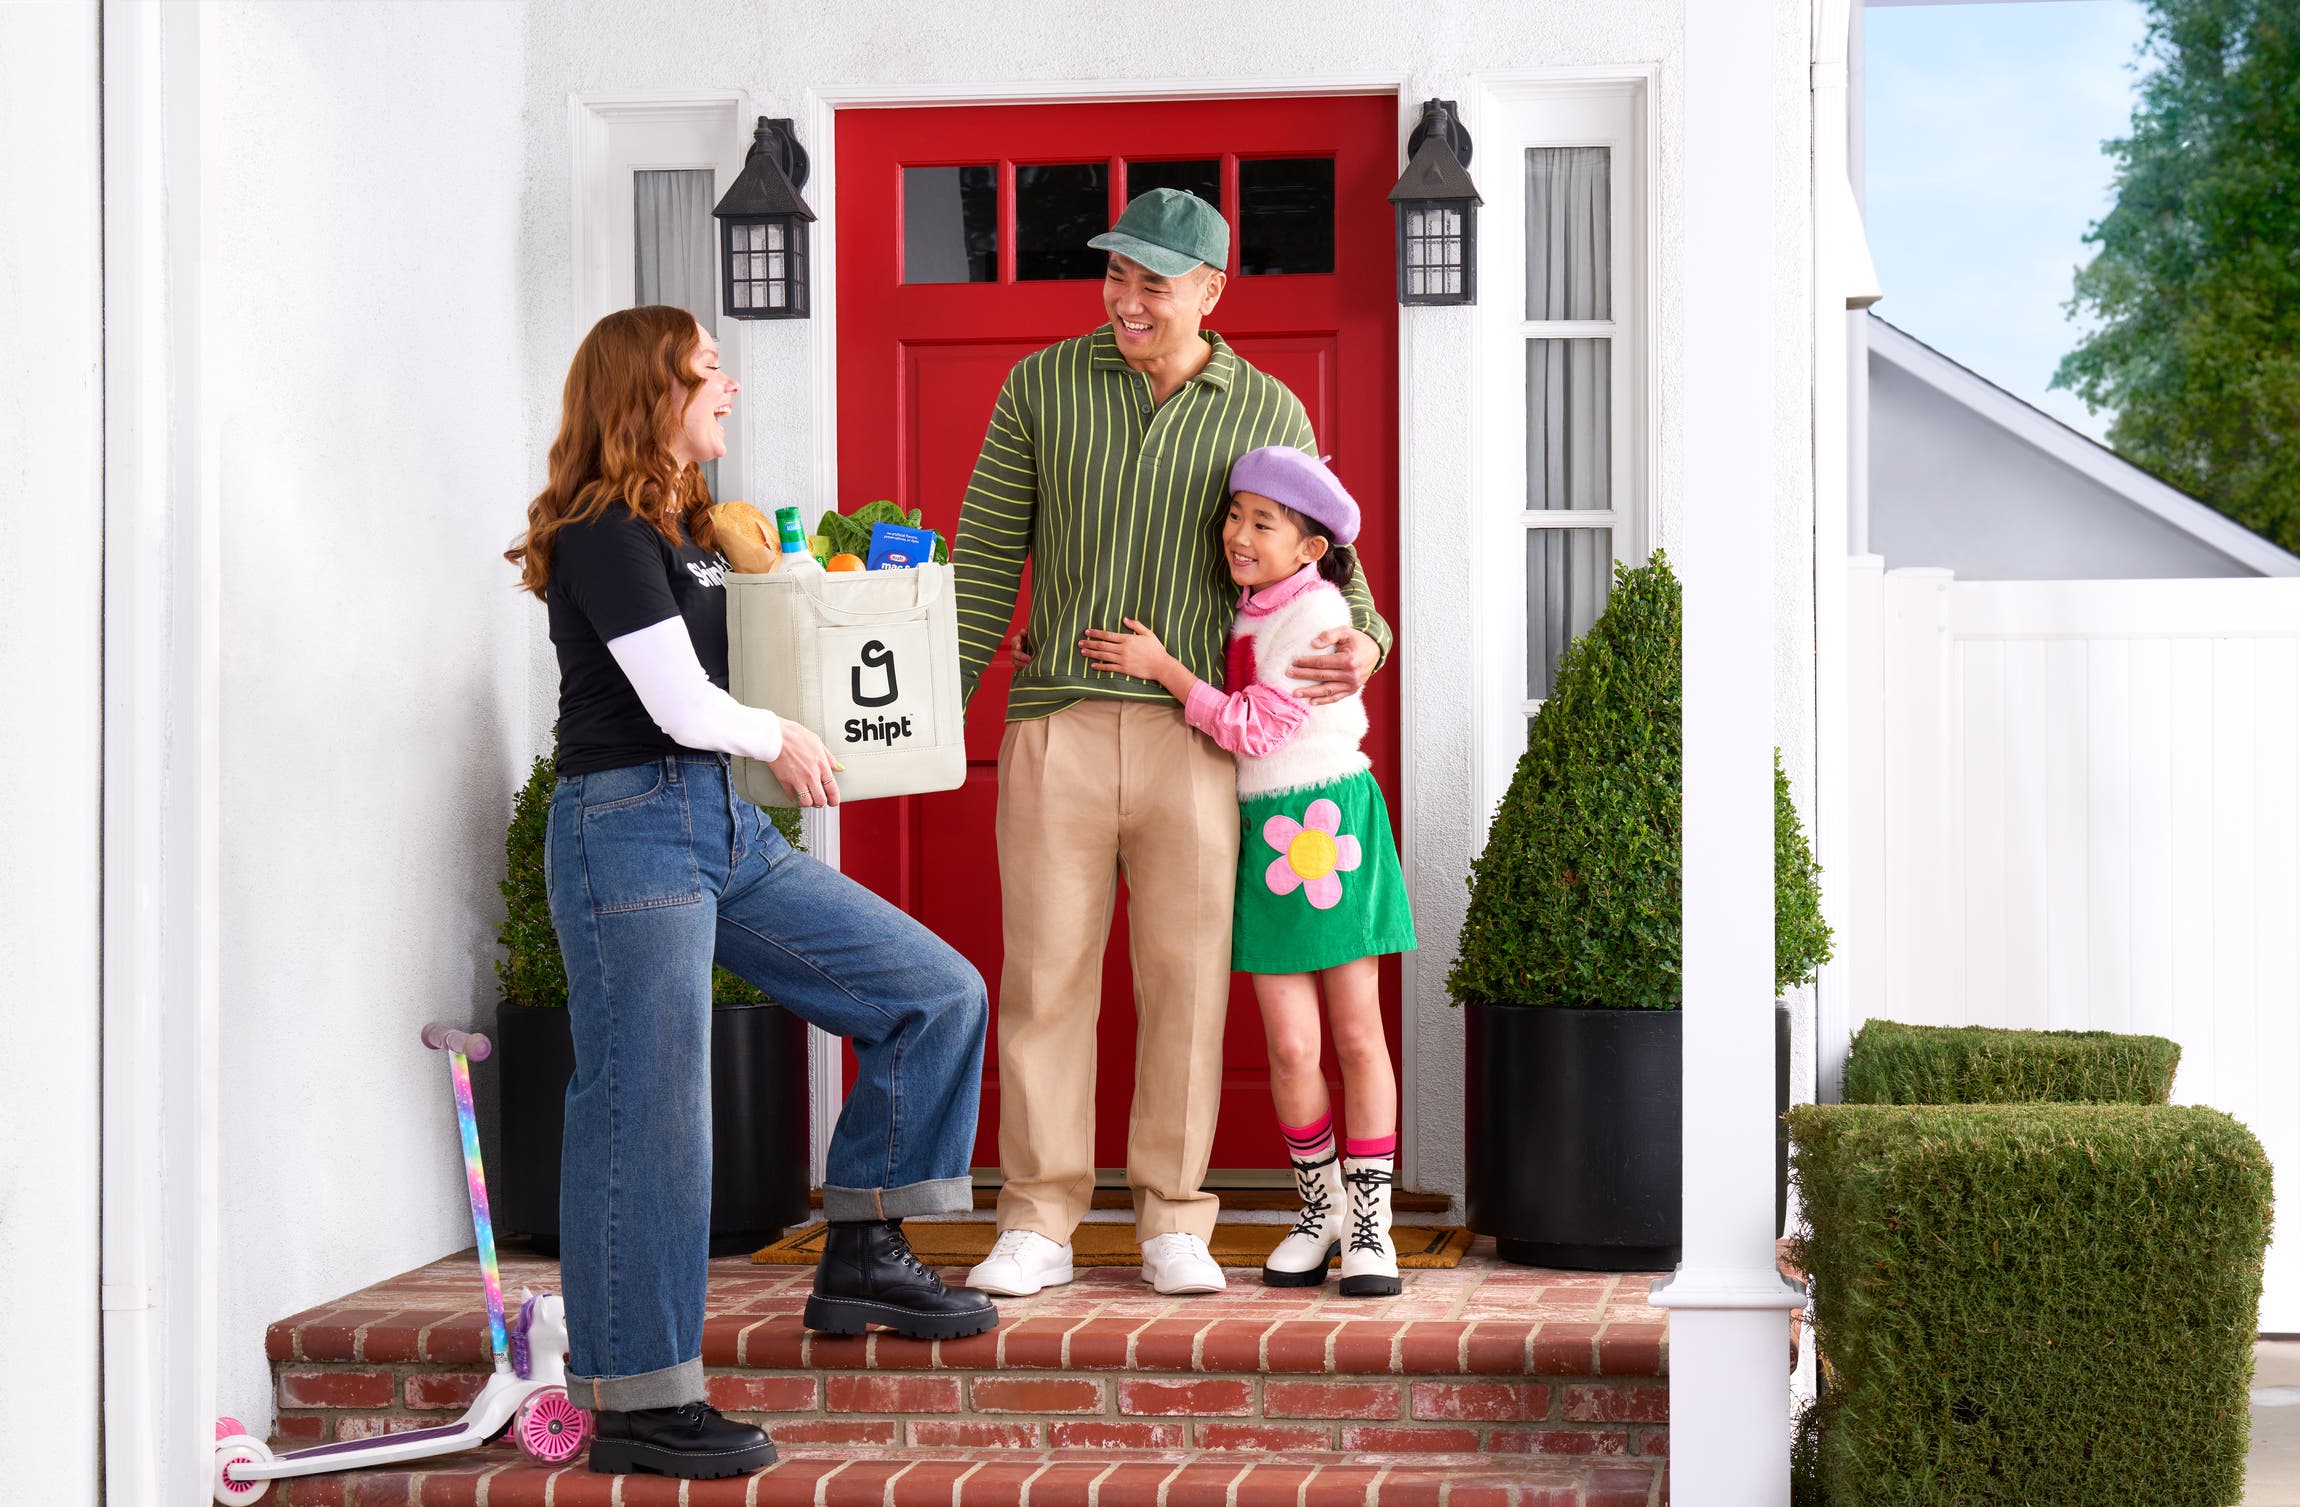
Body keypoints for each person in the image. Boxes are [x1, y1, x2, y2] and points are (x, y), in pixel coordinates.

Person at [505, 305, 997, 1481]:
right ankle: (640, 1400)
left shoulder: (682, 531)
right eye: (707, 367)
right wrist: (777, 733)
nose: (728, 384)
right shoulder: (602, 533)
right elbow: (679, 705)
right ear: (650, 389)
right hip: (628, 827)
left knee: (932, 992)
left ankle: (864, 1244)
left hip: (715, 824)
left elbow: (756, 659)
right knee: (646, 1108)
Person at [952, 190, 1393, 1299]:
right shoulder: (1039, 387)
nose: (1129, 301)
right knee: (1046, 977)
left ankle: (1171, 1219)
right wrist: (927, 726)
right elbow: (983, 565)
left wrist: (1370, 647)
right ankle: (1038, 1218)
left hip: (1199, 743)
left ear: (1210, 289)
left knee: (1186, 985)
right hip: (1054, 720)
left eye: (1156, 282)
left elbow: (1337, 571)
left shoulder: (1267, 407)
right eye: (1116, 276)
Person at [1082, 447, 1417, 1296]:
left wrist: (1162, 670)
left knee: (1352, 1033)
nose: (1237, 532)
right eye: (1236, 514)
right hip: (1268, 834)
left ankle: (1372, 1221)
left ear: (1310, 547)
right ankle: (1323, 1207)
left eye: (1262, 522)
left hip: (1330, 821)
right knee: (1290, 1042)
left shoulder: (1314, 614)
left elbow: (1255, 730)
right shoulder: (1254, 605)